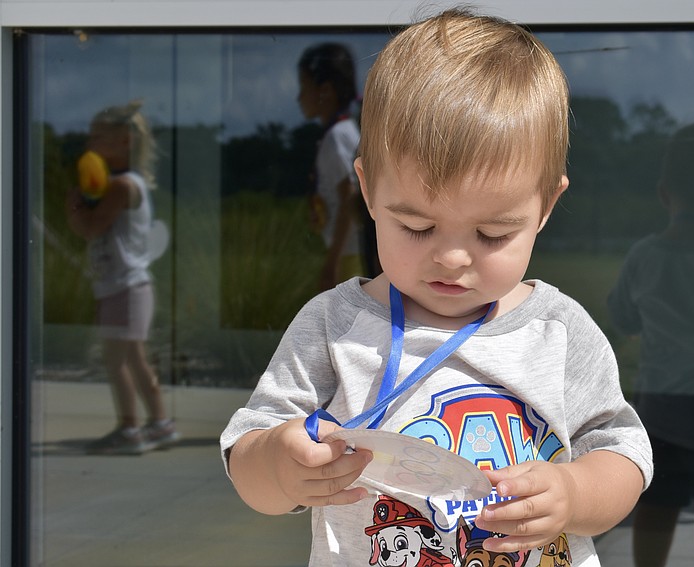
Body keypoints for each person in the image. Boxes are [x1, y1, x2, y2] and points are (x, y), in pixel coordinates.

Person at [221, 9, 652, 566]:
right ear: (368, 190)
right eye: (416, 227)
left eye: (492, 234)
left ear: (545, 207)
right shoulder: (335, 326)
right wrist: (280, 466)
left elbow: (622, 458)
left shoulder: (558, 330)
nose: (450, 257)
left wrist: (571, 494)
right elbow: (247, 458)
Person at [606, 119, 694, 566]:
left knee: (656, 506)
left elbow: (622, 316)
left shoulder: (644, 254)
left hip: (657, 403)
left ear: (663, 194)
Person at [66, 101, 179, 455]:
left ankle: (130, 428)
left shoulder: (121, 188)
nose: (90, 143)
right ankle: (159, 423)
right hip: (127, 287)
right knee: (134, 358)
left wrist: (74, 206)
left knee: (118, 360)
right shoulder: (123, 185)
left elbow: (90, 227)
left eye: (98, 137)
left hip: (125, 287)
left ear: (124, 141)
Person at [297, 42, 366, 290]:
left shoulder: (338, 136)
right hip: (346, 250)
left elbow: (349, 198)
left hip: (347, 253)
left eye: (304, 87)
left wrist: (332, 262)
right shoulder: (340, 133)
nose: (299, 97)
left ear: (325, 90)